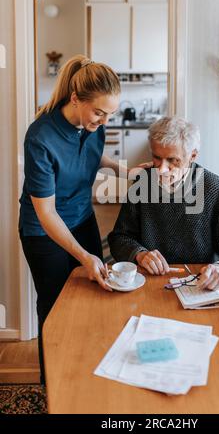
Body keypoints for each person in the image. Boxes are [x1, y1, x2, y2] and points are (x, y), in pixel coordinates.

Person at [19, 55, 132, 384]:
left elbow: (91, 152)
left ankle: (85, 374)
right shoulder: (40, 138)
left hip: (82, 219)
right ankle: (52, 382)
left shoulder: (91, 123)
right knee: (56, 306)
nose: (104, 120)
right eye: (99, 112)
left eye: (109, 113)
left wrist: (120, 169)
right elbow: (46, 213)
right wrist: (83, 256)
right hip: (44, 233)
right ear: (75, 99)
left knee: (93, 293)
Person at [107, 117, 219, 289]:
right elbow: (119, 238)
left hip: (202, 286)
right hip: (150, 284)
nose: (162, 169)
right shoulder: (143, 184)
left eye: (173, 160)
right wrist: (139, 254)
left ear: (192, 155)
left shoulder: (213, 188)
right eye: (157, 158)